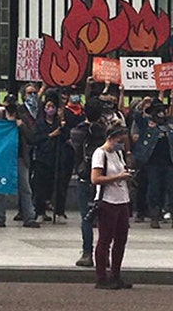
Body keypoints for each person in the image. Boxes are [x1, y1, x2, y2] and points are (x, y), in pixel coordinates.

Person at [91, 124, 134, 290]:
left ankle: (116, 274)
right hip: (108, 201)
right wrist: (118, 177)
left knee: (121, 239)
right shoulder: (100, 154)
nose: (122, 144)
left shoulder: (117, 153)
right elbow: (95, 178)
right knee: (105, 240)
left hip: (122, 200)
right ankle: (101, 277)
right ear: (112, 137)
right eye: (120, 140)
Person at [71, 98, 108, 266]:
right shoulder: (106, 131)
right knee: (105, 217)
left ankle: (87, 252)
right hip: (103, 177)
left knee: (86, 217)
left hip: (85, 176)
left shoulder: (79, 131)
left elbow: (74, 145)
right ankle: (104, 253)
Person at [132, 99, 173, 229]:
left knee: (170, 189)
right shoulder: (146, 124)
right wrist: (142, 103)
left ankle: (168, 212)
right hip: (152, 163)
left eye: (162, 110)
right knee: (153, 189)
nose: (161, 113)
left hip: (169, 163)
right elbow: (136, 115)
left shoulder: (170, 125)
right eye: (158, 110)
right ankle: (154, 215)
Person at [32, 90, 69, 224]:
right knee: (41, 186)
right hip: (43, 159)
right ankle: (40, 211)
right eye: (48, 107)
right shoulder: (40, 123)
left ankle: (59, 211)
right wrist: (51, 135)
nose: (50, 109)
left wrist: (62, 123)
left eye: (52, 107)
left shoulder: (59, 123)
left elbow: (66, 137)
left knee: (59, 185)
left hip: (57, 158)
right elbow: (36, 139)